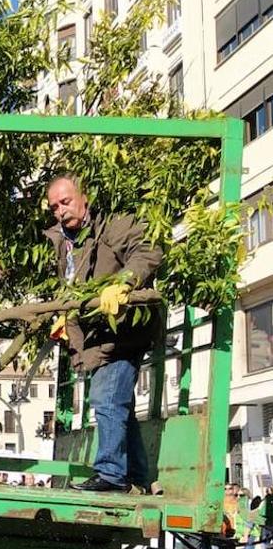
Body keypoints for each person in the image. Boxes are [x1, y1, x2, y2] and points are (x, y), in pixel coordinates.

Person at [45, 173, 161, 493]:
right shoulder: (65, 244)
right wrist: (65, 316)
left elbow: (147, 251)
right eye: (54, 206)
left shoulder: (112, 226)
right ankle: (136, 474)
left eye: (66, 202)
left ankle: (111, 475)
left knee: (107, 398)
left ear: (85, 199)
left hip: (123, 332)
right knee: (118, 405)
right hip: (97, 336)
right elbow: (72, 286)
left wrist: (124, 281)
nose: (60, 211)